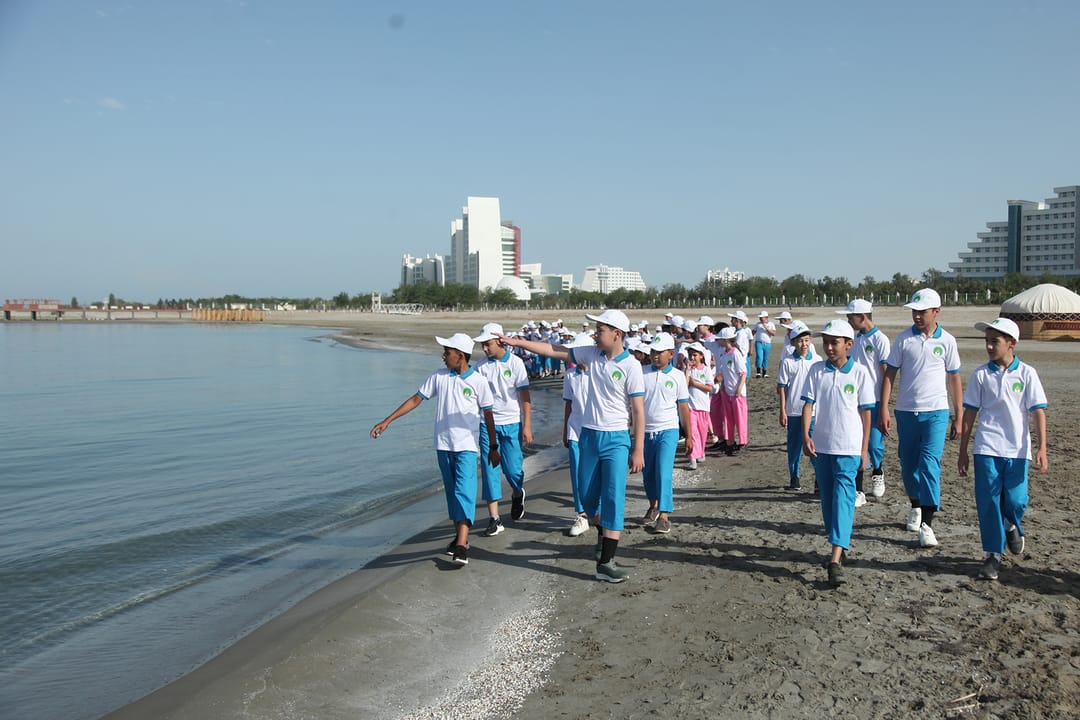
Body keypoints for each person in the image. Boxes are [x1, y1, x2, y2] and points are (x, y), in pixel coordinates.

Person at [500, 309, 645, 583]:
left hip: (616, 439)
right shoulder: (591, 354)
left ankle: (606, 562)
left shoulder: (631, 366)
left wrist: (638, 448)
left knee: (613, 497)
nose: (595, 333)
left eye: (600, 328)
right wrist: (519, 344)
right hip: (589, 436)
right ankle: (603, 534)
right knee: (588, 502)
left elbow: (638, 411)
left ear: (617, 334)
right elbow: (555, 350)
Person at [370, 333, 500, 567]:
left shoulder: (478, 382)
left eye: (447, 353)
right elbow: (416, 400)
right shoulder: (439, 377)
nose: (443, 356)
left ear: (460, 356)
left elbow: (488, 416)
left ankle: (461, 545)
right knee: (452, 495)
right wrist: (387, 421)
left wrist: (493, 446)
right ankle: (460, 538)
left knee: (464, 494)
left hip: (467, 449)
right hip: (443, 446)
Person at [958, 317, 1049, 581]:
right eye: (987, 341)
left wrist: (1042, 447)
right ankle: (992, 555)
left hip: (1018, 450)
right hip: (987, 447)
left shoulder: (1027, 374)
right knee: (988, 503)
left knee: (1016, 500)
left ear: (1012, 343)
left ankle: (1011, 524)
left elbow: (1038, 412)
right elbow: (970, 414)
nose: (988, 346)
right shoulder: (981, 374)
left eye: (994, 341)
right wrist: (964, 449)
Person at [878, 288, 963, 548]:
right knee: (908, 465)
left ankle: (927, 524)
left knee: (929, 465)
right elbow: (889, 375)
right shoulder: (904, 340)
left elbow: (954, 378)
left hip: (936, 412)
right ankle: (915, 504)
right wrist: (884, 408)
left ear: (936, 312)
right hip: (906, 412)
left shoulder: (947, 341)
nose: (917, 316)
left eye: (922, 311)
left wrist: (958, 415)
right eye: (914, 311)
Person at [801, 319, 875, 586]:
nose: (829, 347)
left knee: (844, 499)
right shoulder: (816, 371)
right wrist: (805, 436)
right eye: (826, 342)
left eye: (835, 342)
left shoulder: (860, 374)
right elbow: (808, 405)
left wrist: (865, 449)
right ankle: (841, 544)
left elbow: (867, 414)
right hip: (821, 447)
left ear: (849, 345)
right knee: (829, 503)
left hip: (849, 448)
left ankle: (834, 559)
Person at [472, 323, 532, 536]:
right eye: (482, 346)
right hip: (488, 425)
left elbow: (524, 396)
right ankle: (494, 518)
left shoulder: (516, 364)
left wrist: (527, 425)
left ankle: (517, 492)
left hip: (512, 422)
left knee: (513, 470)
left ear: (499, 341)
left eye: (487, 344)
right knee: (490, 471)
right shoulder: (480, 367)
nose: (485, 349)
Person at [839, 299, 891, 506]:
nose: (848, 321)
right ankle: (858, 489)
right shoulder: (854, 339)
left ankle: (878, 470)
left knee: (875, 443)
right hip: (855, 400)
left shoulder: (880, 339)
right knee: (856, 442)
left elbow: (887, 373)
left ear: (862, 317)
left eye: (850, 317)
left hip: (876, 400)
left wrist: (885, 405)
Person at [640, 332, 693, 534]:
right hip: (645, 431)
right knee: (648, 475)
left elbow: (684, 408)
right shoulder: (641, 372)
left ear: (671, 353)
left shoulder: (678, 376)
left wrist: (689, 435)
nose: (655, 355)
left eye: (659, 352)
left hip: (668, 431)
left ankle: (664, 515)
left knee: (663, 472)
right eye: (653, 351)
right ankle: (653, 505)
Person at [775, 320, 820, 490]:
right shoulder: (788, 362)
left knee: (814, 444)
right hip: (794, 410)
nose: (804, 344)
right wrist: (783, 411)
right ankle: (795, 477)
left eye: (807, 340)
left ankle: (819, 478)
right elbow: (782, 387)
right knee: (794, 446)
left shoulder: (817, 360)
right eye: (800, 341)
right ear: (793, 342)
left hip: (814, 411)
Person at [562, 331, 595, 537]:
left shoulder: (599, 373)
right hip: (575, 429)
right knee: (576, 473)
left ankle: (597, 510)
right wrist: (565, 430)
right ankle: (581, 515)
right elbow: (568, 404)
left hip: (596, 430)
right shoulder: (569, 376)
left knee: (594, 473)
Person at [716, 326, 748, 455]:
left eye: (720, 339)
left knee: (740, 418)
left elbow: (743, 373)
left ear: (726, 340)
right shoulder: (724, 353)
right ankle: (729, 441)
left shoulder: (735, 353)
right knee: (728, 418)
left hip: (737, 393)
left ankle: (742, 442)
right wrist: (723, 385)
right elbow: (725, 372)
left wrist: (739, 389)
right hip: (727, 391)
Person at [684, 342, 712, 471]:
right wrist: (687, 370)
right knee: (693, 433)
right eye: (690, 355)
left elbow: (709, 388)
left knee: (702, 433)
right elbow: (684, 386)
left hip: (704, 407)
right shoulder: (688, 370)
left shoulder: (706, 370)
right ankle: (692, 458)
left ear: (701, 356)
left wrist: (695, 383)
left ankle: (700, 452)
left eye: (694, 355)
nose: (692, 358)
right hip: (690, 408)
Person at [753, 311, 777, 379]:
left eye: (762, 317)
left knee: (765, 358)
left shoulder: (771, 324)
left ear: (766, 317)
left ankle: (764, 373)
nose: (760, 319)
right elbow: (753, 332)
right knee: (759, 357)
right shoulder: (758, 324)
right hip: (759, 342)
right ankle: (758, 372)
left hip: (767, 343)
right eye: (760, 317)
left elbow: (774, 333)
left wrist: (767, 328)